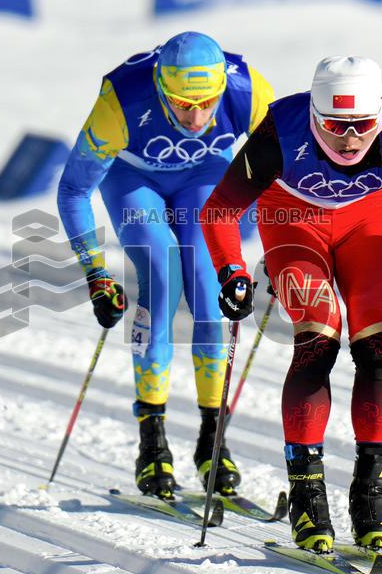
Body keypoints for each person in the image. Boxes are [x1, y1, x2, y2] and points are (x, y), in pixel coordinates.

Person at [200, 56, 382, 549]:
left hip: (370, 220)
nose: (349, 139)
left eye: (362, 126)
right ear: (313, 116)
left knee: (376, 348)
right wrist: (232, 272)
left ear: (379, 115)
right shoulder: (280, 130)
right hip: (292, 220)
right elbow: (219, 209)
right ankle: (307, 496)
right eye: (335, 126)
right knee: (318, 340)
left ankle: (371, 496)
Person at [57, 31, 275, 499]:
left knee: (210, 282)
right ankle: (151, 443)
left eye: (206, 104)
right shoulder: (120, 104)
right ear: (160, 88)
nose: (195, 117)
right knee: (161, 274)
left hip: (205, 176)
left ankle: (212, 438)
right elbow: (73, 190)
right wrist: (96, 273)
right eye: (180, 104)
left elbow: (279, 178)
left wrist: (275, 250)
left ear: (221, 87)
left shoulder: (250, 91)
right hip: (133, 178)